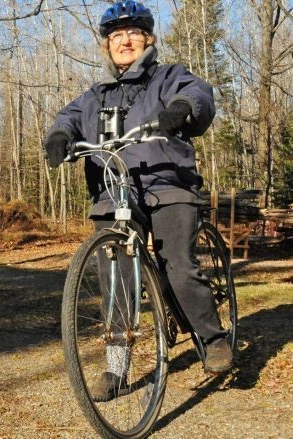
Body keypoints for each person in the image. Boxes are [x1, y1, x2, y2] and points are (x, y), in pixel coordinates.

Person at [44, 1, 233, 399]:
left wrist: (182, 108)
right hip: (114, 191)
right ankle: (116, 368)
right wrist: (59, 137)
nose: (124, 40)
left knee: (178, 266)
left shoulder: (168, 77)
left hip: (168, 185)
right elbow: (68, 117)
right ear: (107, 46)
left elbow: (198, 93)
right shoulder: (95, 95)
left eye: (132, 33)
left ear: (147, 38)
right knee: (116, 283)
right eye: (115, 35)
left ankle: (213, 337)